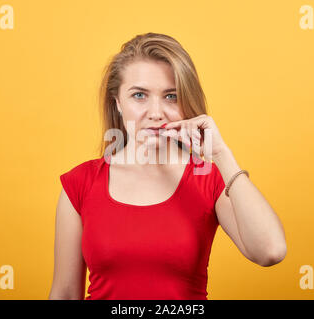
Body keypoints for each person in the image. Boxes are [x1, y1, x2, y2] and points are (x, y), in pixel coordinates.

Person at [48, 32, 287, 300]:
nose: (156, 112)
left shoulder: (207, 178)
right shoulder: (81, 183)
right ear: (117, 102)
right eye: (139, 95)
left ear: (186, 102)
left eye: (171, 96)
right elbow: (66, 294)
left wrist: (220, 153)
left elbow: (270, 251)